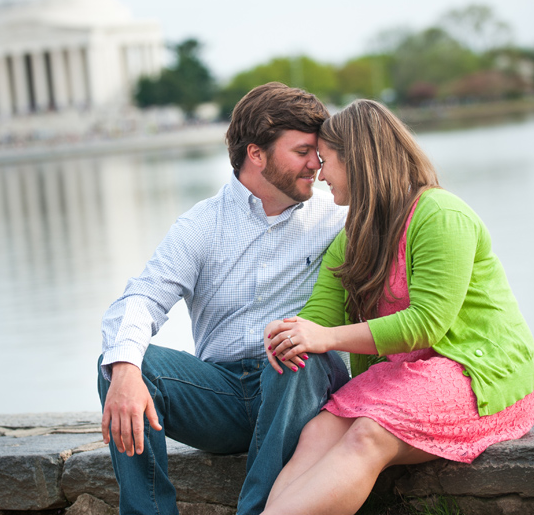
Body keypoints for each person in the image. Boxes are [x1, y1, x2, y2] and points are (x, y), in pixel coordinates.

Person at [262, 99, 534, 515]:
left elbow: (426, 324)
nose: (320, 174)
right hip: (407, 377)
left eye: (327, 160)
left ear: (358, 159)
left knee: (368, 435)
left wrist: (325, 338)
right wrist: (290, 333)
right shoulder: (352, 237)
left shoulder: (440, 215)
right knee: (318, 431)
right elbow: (321, 316)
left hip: (477, 373)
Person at [98, 82, 350, 515]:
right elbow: (143, 296)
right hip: (223, 396)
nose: (317, 164)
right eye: (303, 151)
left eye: (318, 153)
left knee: (293, 349)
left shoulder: (338, 218)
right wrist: (123, 369)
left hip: (301, 391)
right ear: (256, 154)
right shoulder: (201, 225)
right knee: (126, 365)